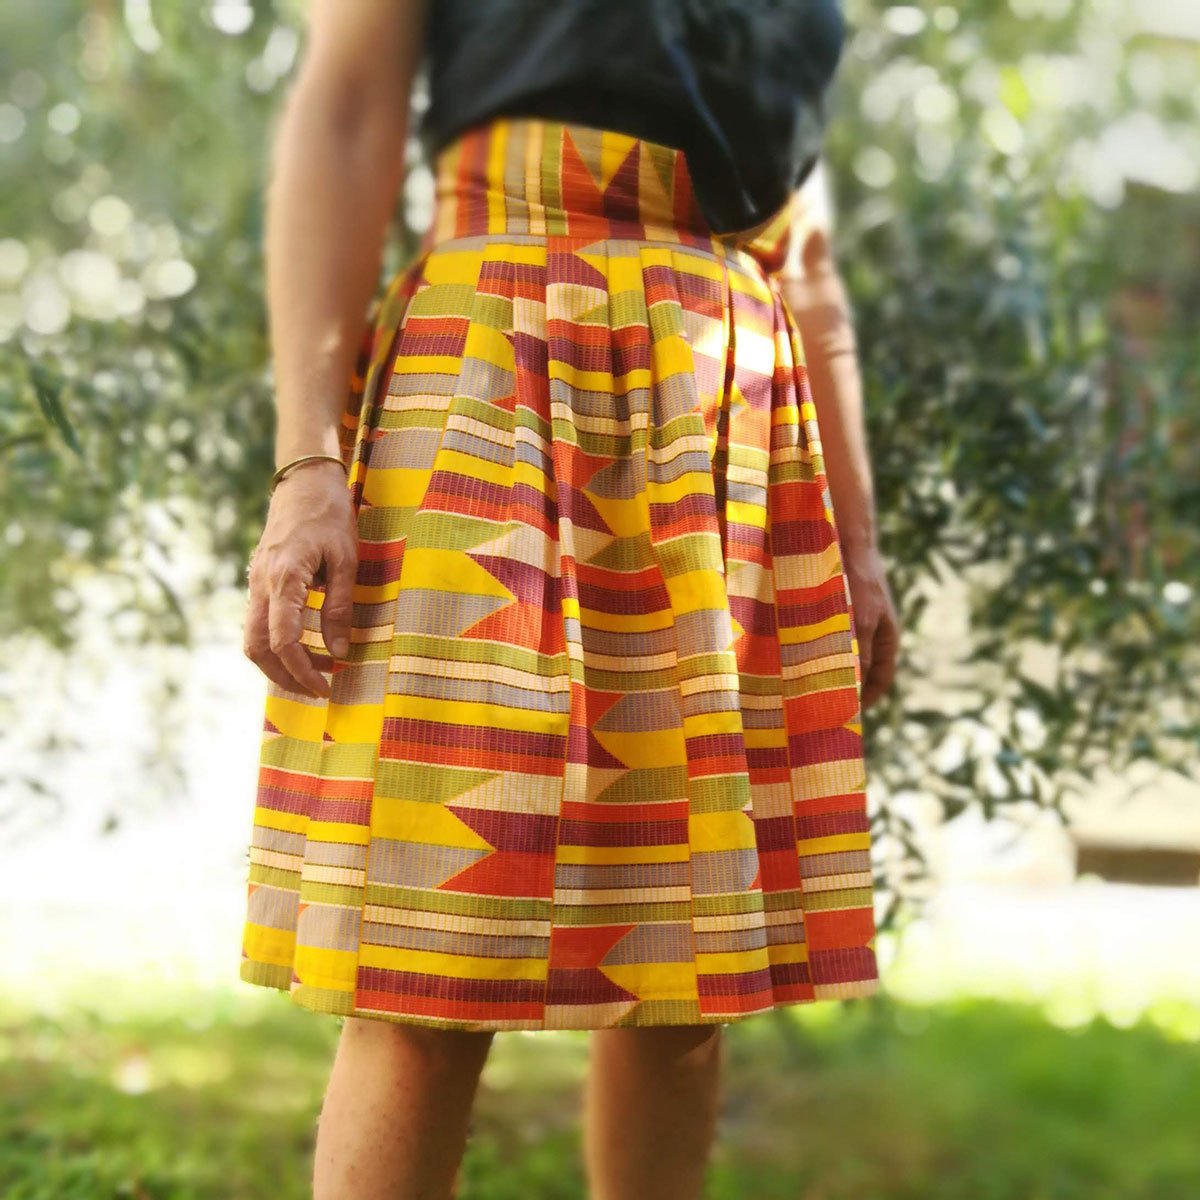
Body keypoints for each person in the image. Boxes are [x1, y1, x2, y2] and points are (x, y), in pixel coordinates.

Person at [238, 1, 900, 1197]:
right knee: (427, 951)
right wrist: (307, 464)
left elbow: (806, 256)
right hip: (500, 363)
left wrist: (858, 542)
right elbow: (344, 111)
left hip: (727, 422)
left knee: (685, 971)